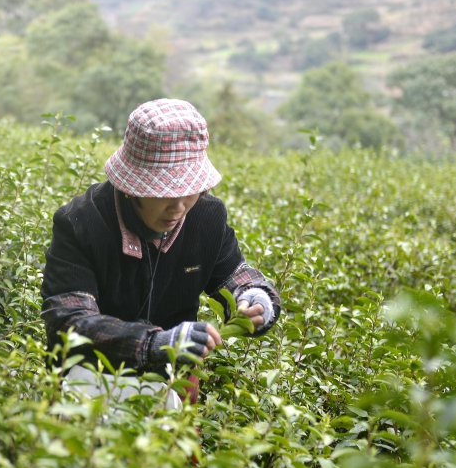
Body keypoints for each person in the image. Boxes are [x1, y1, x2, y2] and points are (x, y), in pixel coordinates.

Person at [40, 98, 281, 409]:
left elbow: (236, 274)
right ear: (131, 187)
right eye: (164, 193)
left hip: (172, 378)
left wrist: (257, 297)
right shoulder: (82, 223)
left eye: (189, 191)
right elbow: (69, 318)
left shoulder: (207, 219)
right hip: (89, 378)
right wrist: (153, 344)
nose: (178, 207)